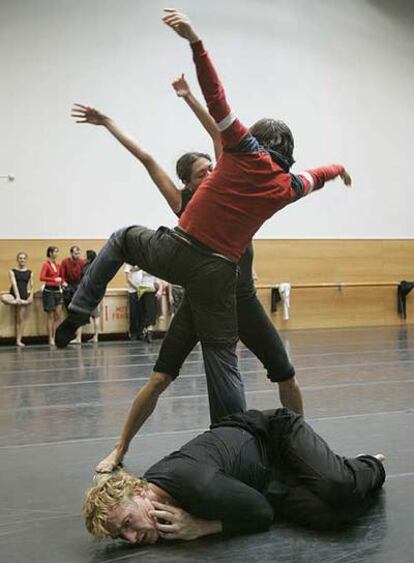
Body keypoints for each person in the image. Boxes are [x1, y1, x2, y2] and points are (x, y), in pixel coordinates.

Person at [57, 9, 351, 450]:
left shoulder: (239, 154)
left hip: (187, 260)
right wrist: (339, 168)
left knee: (123, 240)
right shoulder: (285, 184)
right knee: (220, 360)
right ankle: (234, 447)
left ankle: (80, 312)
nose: (210, 169)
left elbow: (218, 101)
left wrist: (196, 42)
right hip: (216, 274)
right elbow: (313, 174)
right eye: (202, 170)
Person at [83, 407, 385, 544]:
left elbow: (263, 514)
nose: (131, 538)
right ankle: (329, 469)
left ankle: (367, 464)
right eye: (119, 536)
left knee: (340, 487)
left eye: (127, 523)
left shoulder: (193, 482)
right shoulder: (153, 501)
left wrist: (203, 526)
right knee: (332, 517)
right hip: (267, 483)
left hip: (277, 438)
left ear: (138, 491)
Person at [0, 252, 34, 347]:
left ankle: (18, 340)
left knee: (20, 319)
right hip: (14, 294)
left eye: (23, 258)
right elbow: (14, 284)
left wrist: (31, 296)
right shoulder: (12, 271)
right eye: (20, 258)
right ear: (17, 259)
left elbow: (31, 285)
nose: (22, 260)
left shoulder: (30, 272)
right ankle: (21, 302)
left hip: (23, 294)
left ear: (26, 260)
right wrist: (17, 298)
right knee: (2, 297)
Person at [61, 246, 87, 344]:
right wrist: (64, 284)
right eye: (75, 253)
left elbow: (85, 275)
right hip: (68, 287)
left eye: (78, 253)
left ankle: (78, 337)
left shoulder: (82, 262)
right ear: (71, 253)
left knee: (78, 312)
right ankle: (70, 335)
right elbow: (62, 276)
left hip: (78, 287)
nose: (77, 255)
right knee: (69, 313)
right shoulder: (65, 262)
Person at [40, 246, 65, 346]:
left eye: (57, 252)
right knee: (50, 316)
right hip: (49, 291)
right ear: (50, 253)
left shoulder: (57, 265)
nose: (56, 254)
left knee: (58, 315)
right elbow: (42, 277)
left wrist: (63, 282)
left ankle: (56, 336)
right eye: (55, 251)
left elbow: (60, 277)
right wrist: (53, 280)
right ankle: (50, 338)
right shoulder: (46, 264)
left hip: (57, 291)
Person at [81, 250, 100, 343]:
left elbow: (82, 279)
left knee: (79, 315)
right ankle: (96, 336)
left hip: (86, 293)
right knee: (96, 316)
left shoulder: (86, 267)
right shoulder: (98, 266)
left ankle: (78, 338)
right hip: (95, 293)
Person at [124, 263, 143, 340]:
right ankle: (133, 333)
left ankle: (140, 332)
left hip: (142, 291)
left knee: (141, 312)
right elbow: (128, 279)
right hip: (133, 291)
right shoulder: (129, 264)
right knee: (134, 313)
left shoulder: (141, 263)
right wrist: (137, 287)